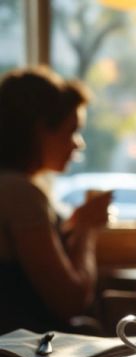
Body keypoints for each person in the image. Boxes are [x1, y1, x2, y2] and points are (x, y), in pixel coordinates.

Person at [0, 68, 111, 333]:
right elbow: (70, 301)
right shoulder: (17, 192)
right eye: (71, 131)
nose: (78, 144)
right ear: (40, 130)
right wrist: (86, 227)